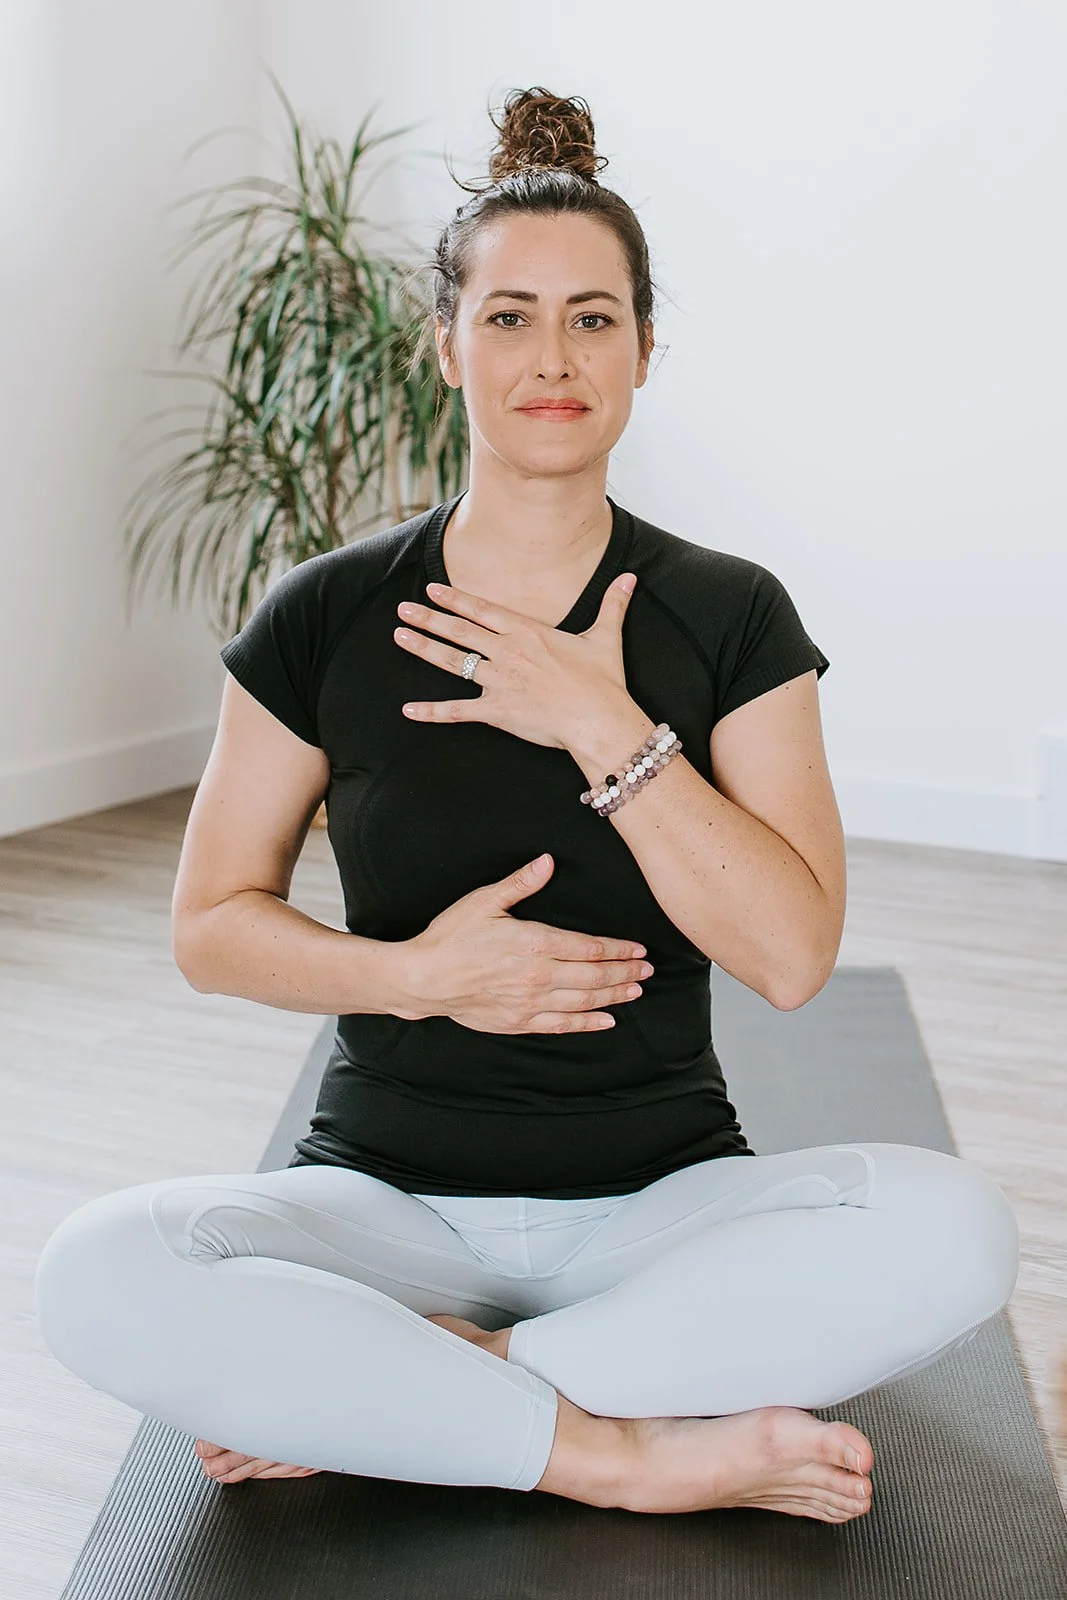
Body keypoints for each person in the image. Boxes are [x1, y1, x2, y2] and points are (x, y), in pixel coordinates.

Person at [34, 87, 1019, 1522]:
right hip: (379, 1204)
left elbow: (791, 956)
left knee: (956, 1234)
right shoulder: (326, 612)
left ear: (642, 350)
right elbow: (210, 926)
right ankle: (617, 1449)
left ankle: (447, 1382)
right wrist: (413, 975)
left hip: (660, 1203)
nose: (549, 358)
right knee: (95, 1268)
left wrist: (603, 726)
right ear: (446, 345)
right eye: (507, 317)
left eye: (591, 318)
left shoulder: (727, 614)